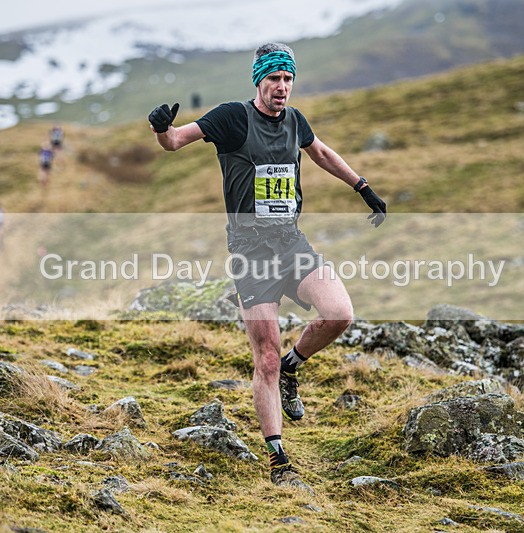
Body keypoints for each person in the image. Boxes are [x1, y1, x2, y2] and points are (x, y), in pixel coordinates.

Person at [149, 43, 386, 491]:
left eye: (288, 79)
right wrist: (162, 128)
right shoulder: (231, 118)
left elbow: (320, 153)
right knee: (267, 356)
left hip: (289, 242)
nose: (282, 87)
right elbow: (176, 141)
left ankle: (298, 365)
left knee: (339, 313)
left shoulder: (295, 121)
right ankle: (278, 456)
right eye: (274, 79)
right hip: (251, 252)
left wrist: (362, 186)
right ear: (259, 80)